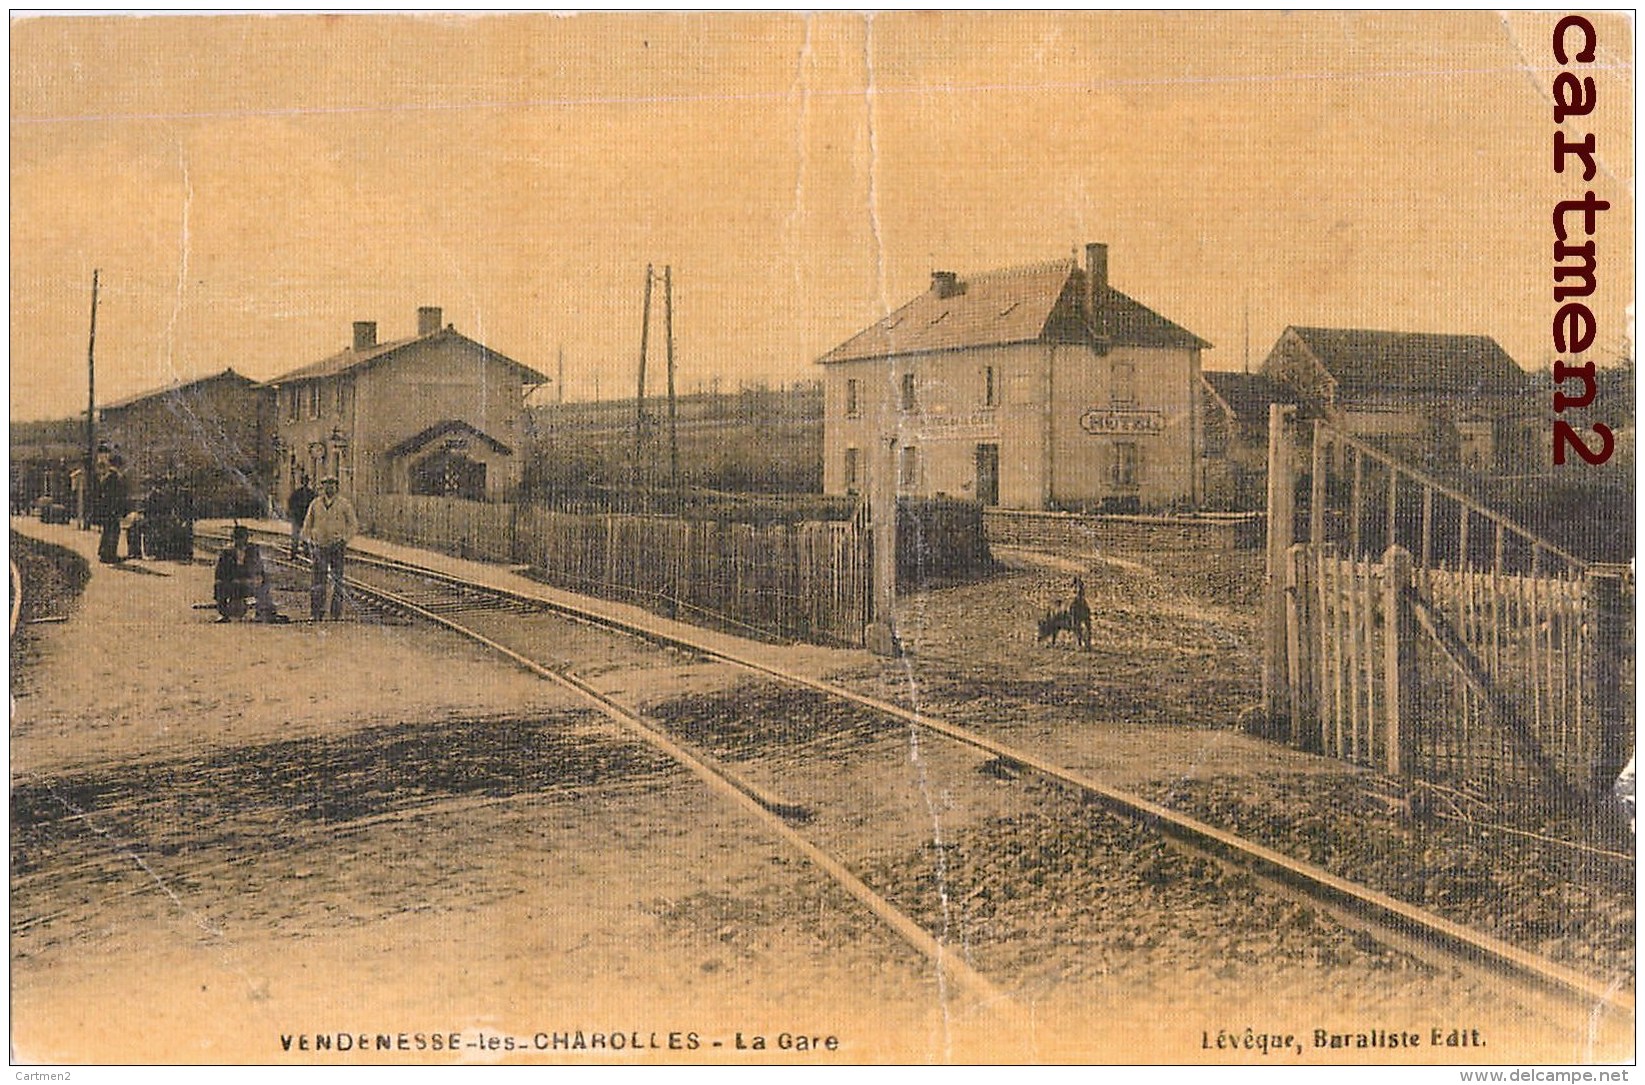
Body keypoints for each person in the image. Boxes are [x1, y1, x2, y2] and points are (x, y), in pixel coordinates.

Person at [301, 474, 358, 621]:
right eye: (326, 484)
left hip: (336, 545)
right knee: (317, 580)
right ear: (322, 486)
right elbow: (307, 524)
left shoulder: (344, 504)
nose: (329, 487)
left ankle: (336, 613)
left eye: (332, 484)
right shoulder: (315, 504)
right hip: (319, 546)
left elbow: (353, 525)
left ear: (336, 487)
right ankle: (316, 612)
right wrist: (307, 540)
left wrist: (345, 540)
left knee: (337, 580)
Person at [214, 525, 287, 623]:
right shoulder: (226, 552)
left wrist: (256, 578)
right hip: (232, 582)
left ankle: (262, 612)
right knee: (219, 586)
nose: (240, 541)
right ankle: (224, 614)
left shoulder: (252, 551)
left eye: (242, 538)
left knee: (263, 585)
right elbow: (220, 572)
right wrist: (231, 579)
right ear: (233, 539)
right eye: (237, 538)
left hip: (248, 582)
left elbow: (258, 568)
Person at [89, 449, 129, 564]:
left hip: (106, 508)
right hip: (112, 509)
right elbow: (118, 495)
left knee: (107, 530)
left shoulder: (107, 476)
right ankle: (110, 554)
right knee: (113, 530)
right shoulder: (114, 477)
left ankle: (103, 552)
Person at [286, 474, 316, 560]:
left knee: (305, 536)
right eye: (304, 482)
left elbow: (314, 505)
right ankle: (294, 554)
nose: (305, 483)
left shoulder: (311, 494)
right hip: (297, 518)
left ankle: (306, 554)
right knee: (296, 537)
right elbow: (290, 503)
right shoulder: (297, 493)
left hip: (306, 518)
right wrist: (292, 513)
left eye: (306, 482)